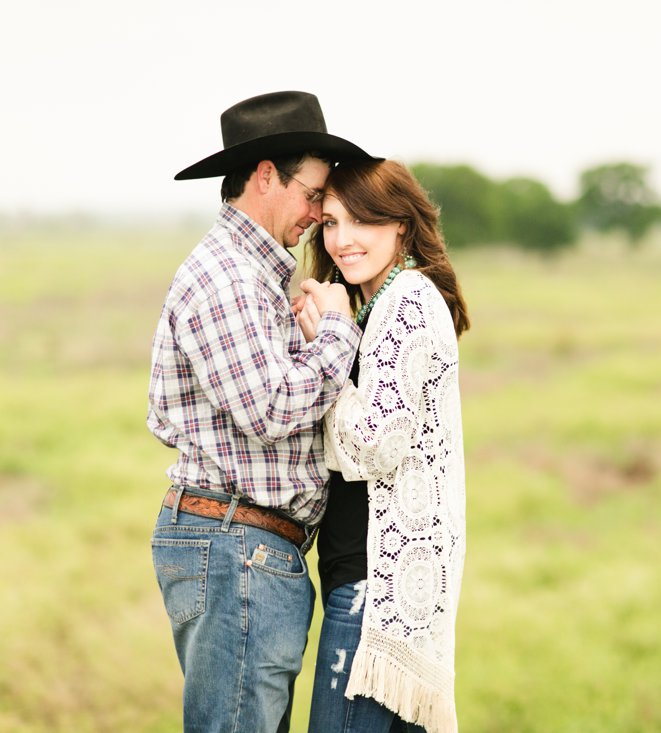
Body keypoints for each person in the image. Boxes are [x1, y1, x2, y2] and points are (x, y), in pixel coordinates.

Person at [148, 90, 379, 733]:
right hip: (237, 546)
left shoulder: (252, 275)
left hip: (246, 547)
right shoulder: (228, 276)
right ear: (266, 175)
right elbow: (272, 408)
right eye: (312, 194)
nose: (316, 215)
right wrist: (337, 331)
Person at [294, 159, 470, 733]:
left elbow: (375, 443)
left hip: (376, 591)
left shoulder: (408, 299)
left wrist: (329, 344)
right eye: (330, 223)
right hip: (365, 580)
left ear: (400, 225)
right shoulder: (376, 304)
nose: (342, 241)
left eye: (360, 222)